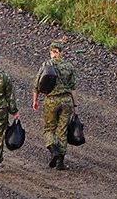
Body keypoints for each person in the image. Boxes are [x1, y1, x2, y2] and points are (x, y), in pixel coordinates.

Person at [32, 41, 77, 170]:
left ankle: (53, 150)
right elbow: (73, 88)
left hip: (51, 100)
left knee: (49, 128)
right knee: (62, 130)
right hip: (66, 101)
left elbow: (37, 85)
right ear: (61, 52)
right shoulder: (68, 66)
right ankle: (61, 162)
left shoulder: (47, 65)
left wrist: (35, 101)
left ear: (51, 52)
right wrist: (75, 106)